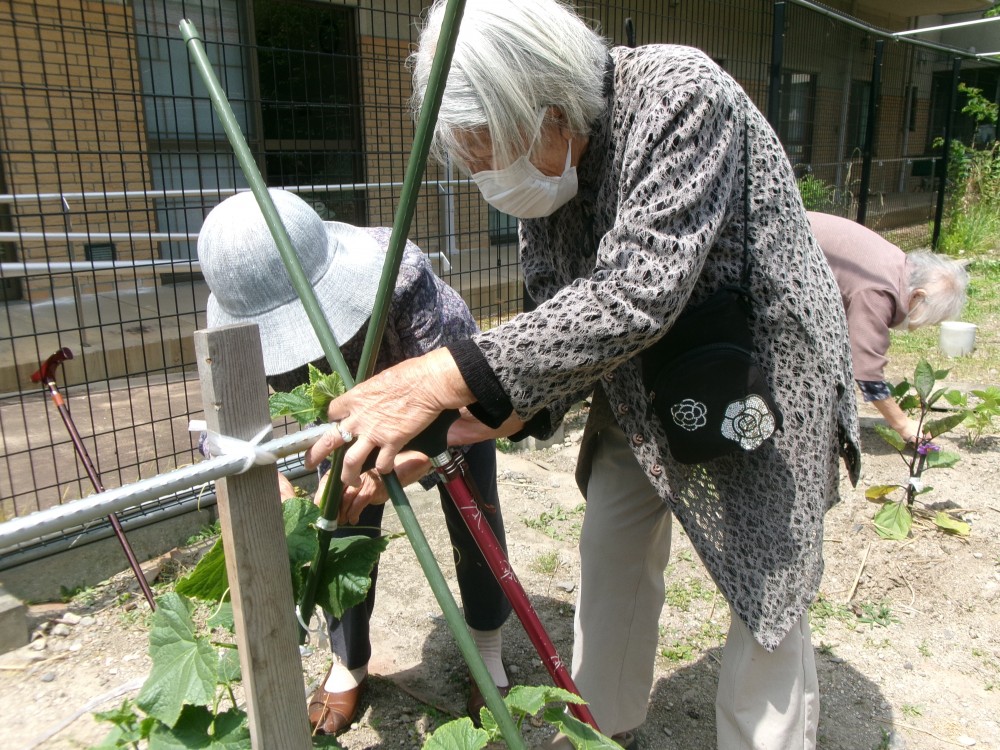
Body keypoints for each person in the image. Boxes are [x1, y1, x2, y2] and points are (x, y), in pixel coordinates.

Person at [305, 1, 861, 748]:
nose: (490, 180)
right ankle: (605, 728)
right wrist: (448, 427)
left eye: (492, 155)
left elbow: (638, 292)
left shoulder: (679, 95)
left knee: (765, 585)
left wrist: (436, 378)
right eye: (476, 166)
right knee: (610, 548)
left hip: (755, 369)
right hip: (634, 378)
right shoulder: (552, 179)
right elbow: (556, 333)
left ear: (554, 108)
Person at [196, 188, 512, 734]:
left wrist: (408, 462)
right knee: (337, 526)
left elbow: (475, 408)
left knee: (473, 512)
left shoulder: (405, 282)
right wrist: (273, 483)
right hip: (345, 428)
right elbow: (229, 431)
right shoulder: (238, 329)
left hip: (445, 410)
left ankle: (487, 648)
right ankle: (349, 662)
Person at [809, 211, 969, 445]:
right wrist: (903, 424)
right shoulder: (879, 290)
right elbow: (866, 368)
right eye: (927, 320)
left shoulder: (899, 265)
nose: (915, 329)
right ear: (918, 295)